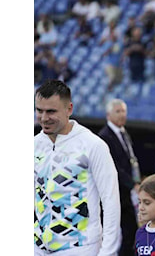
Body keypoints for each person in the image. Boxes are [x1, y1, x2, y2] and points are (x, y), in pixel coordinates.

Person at [34, 79, 121, 255]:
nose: (44, 118)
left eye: (51, 111)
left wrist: (108, 252)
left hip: (80, 247)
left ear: (69, 109)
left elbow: (111, 201)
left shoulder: (93, 145)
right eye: (39, 111)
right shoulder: (33, 145)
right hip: (38, 247)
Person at [98, 99, 142, 256]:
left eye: (123, 111)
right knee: (114, 234)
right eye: (118, 111)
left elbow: (131, 162)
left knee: (130, 232)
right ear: (108, 115)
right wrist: (133, 185)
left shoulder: (124, 133)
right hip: (114, 193)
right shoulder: (104, 137)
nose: (122, 114)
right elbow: (114, 166)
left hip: (126, 194)